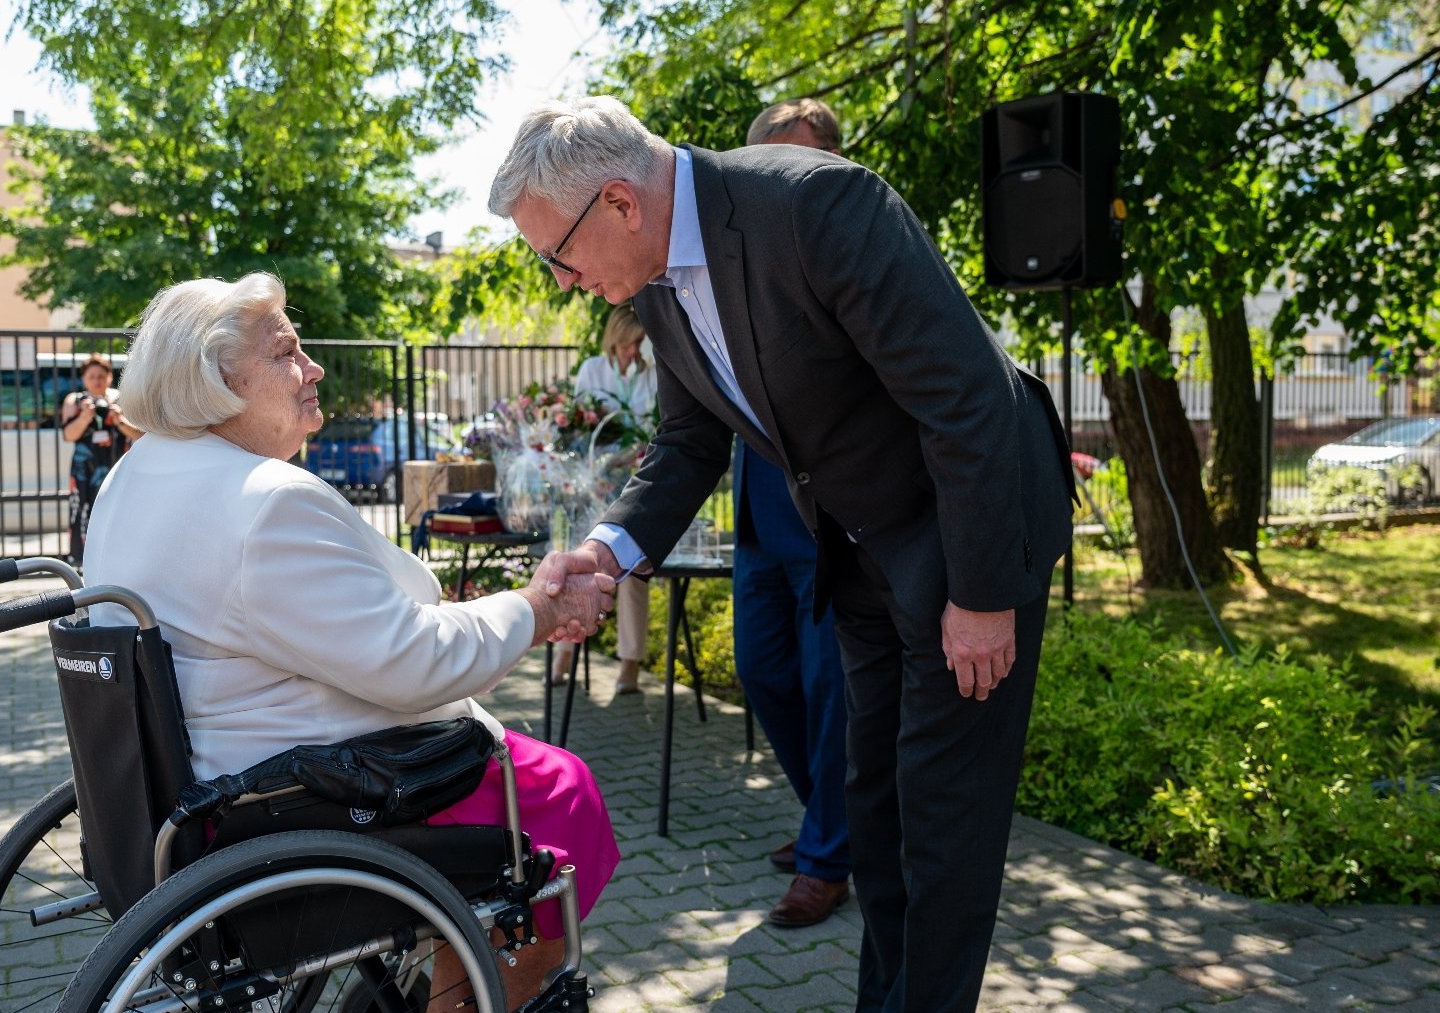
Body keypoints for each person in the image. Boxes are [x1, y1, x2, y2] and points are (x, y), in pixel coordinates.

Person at [488, 98, 1074, 1011]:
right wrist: (605, 555)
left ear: (619, 202)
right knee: (875, 823)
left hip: (968, 542)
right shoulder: (653, 278)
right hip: (861, 555)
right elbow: (686, 448)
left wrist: (984, 595)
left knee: (942, 838)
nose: (560, 279)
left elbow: (966, 401)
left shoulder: (817, 206)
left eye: (556, 253)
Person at [81, 272, 622, 1011]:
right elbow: (416, 664)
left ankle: (443, 969)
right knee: (562, 788)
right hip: (304, 797)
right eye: (287, 353)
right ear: (217, 379)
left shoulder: (134, 477)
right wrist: (534, 608)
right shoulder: (265, 503)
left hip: (193, 788)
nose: (314, 368)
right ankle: (480, 990)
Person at [730, 98, 852, 929]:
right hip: (756, 520)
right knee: (764, 673)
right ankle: (836, 820)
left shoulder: (854, 252)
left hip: (834, 521)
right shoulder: (732, 268)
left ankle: (830, 854)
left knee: (831, 687)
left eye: (794, 166)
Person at [553, 304, 655, 694]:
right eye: (631, 344)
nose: (635, 352)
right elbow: (578, 432)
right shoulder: (592, 370)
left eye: (640, 345)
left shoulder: (653, 375)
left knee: (633, 574)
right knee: (579, 563)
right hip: (595, 486)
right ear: (616, 338)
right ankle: (564, 650)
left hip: (637, 485)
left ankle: (630, 663)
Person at [60, 353, 142, 565]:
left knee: (118, 511)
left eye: (101, 375)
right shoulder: (75, 401)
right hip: (84, 468)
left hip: (116, 465)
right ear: (84, 379)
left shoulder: (121, 399)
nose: (96, 380)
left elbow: (140, 436)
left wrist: (120, 421)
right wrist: (85, 416)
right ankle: (82, 561)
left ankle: (118, 559)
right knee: (83, 511)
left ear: (108, 377)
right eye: (91, 376)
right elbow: (68, 435)